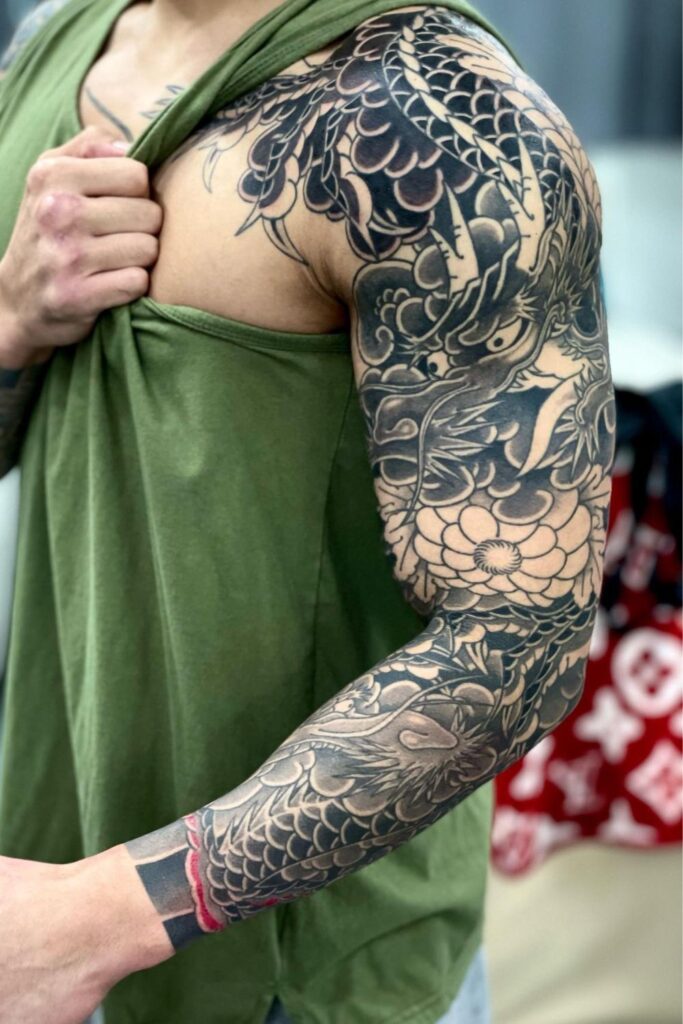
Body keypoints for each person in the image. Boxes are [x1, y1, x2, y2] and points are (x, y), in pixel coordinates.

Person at [0, 1, 614, 1022]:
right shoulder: (60, 36)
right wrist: (13, 316)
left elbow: (521, 640)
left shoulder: (447, 131)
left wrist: (98, 919)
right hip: (34, 898)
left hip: (299, 977)